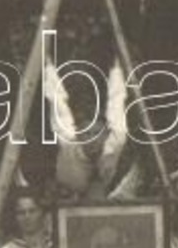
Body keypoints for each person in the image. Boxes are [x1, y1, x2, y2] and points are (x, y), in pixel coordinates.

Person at [45, 60, 129, 201]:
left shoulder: (115, 140)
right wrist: (47, 65)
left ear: (105, 135)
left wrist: (117, 65)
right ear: (78, 136)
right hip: (69, 191)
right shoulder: (68, 142)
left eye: (96, 133)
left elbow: (116, 102)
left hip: (107, 191)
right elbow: (57, 104)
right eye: (86, 134)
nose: (92, 140)